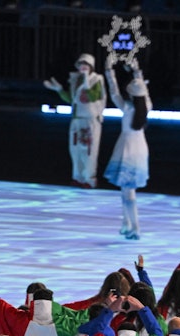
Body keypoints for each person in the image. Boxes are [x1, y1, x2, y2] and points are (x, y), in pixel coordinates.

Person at [104, 55, 152, 240]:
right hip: (138, 147)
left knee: (128, 190)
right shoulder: (146, 106)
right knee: (126, 190)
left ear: (132, 94)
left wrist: (110, 72)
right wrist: (136, 70)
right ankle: (127, 223)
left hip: (127, 148)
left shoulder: (128, 108)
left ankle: (135, 227)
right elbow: (144, 92)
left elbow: (115, 92)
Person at [43, 53, 106, 189]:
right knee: (75, 149)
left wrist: (85, 80)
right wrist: (59, 90)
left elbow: (92, 96)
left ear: (91, 66)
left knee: (89, 150)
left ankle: (89, 178)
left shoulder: (96, 79)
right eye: (80, 64)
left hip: (90, 119)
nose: (82, 67)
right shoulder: (75, 79)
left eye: (85, 64)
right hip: (77, 119)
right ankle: (77, 176)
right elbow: (72, 99)